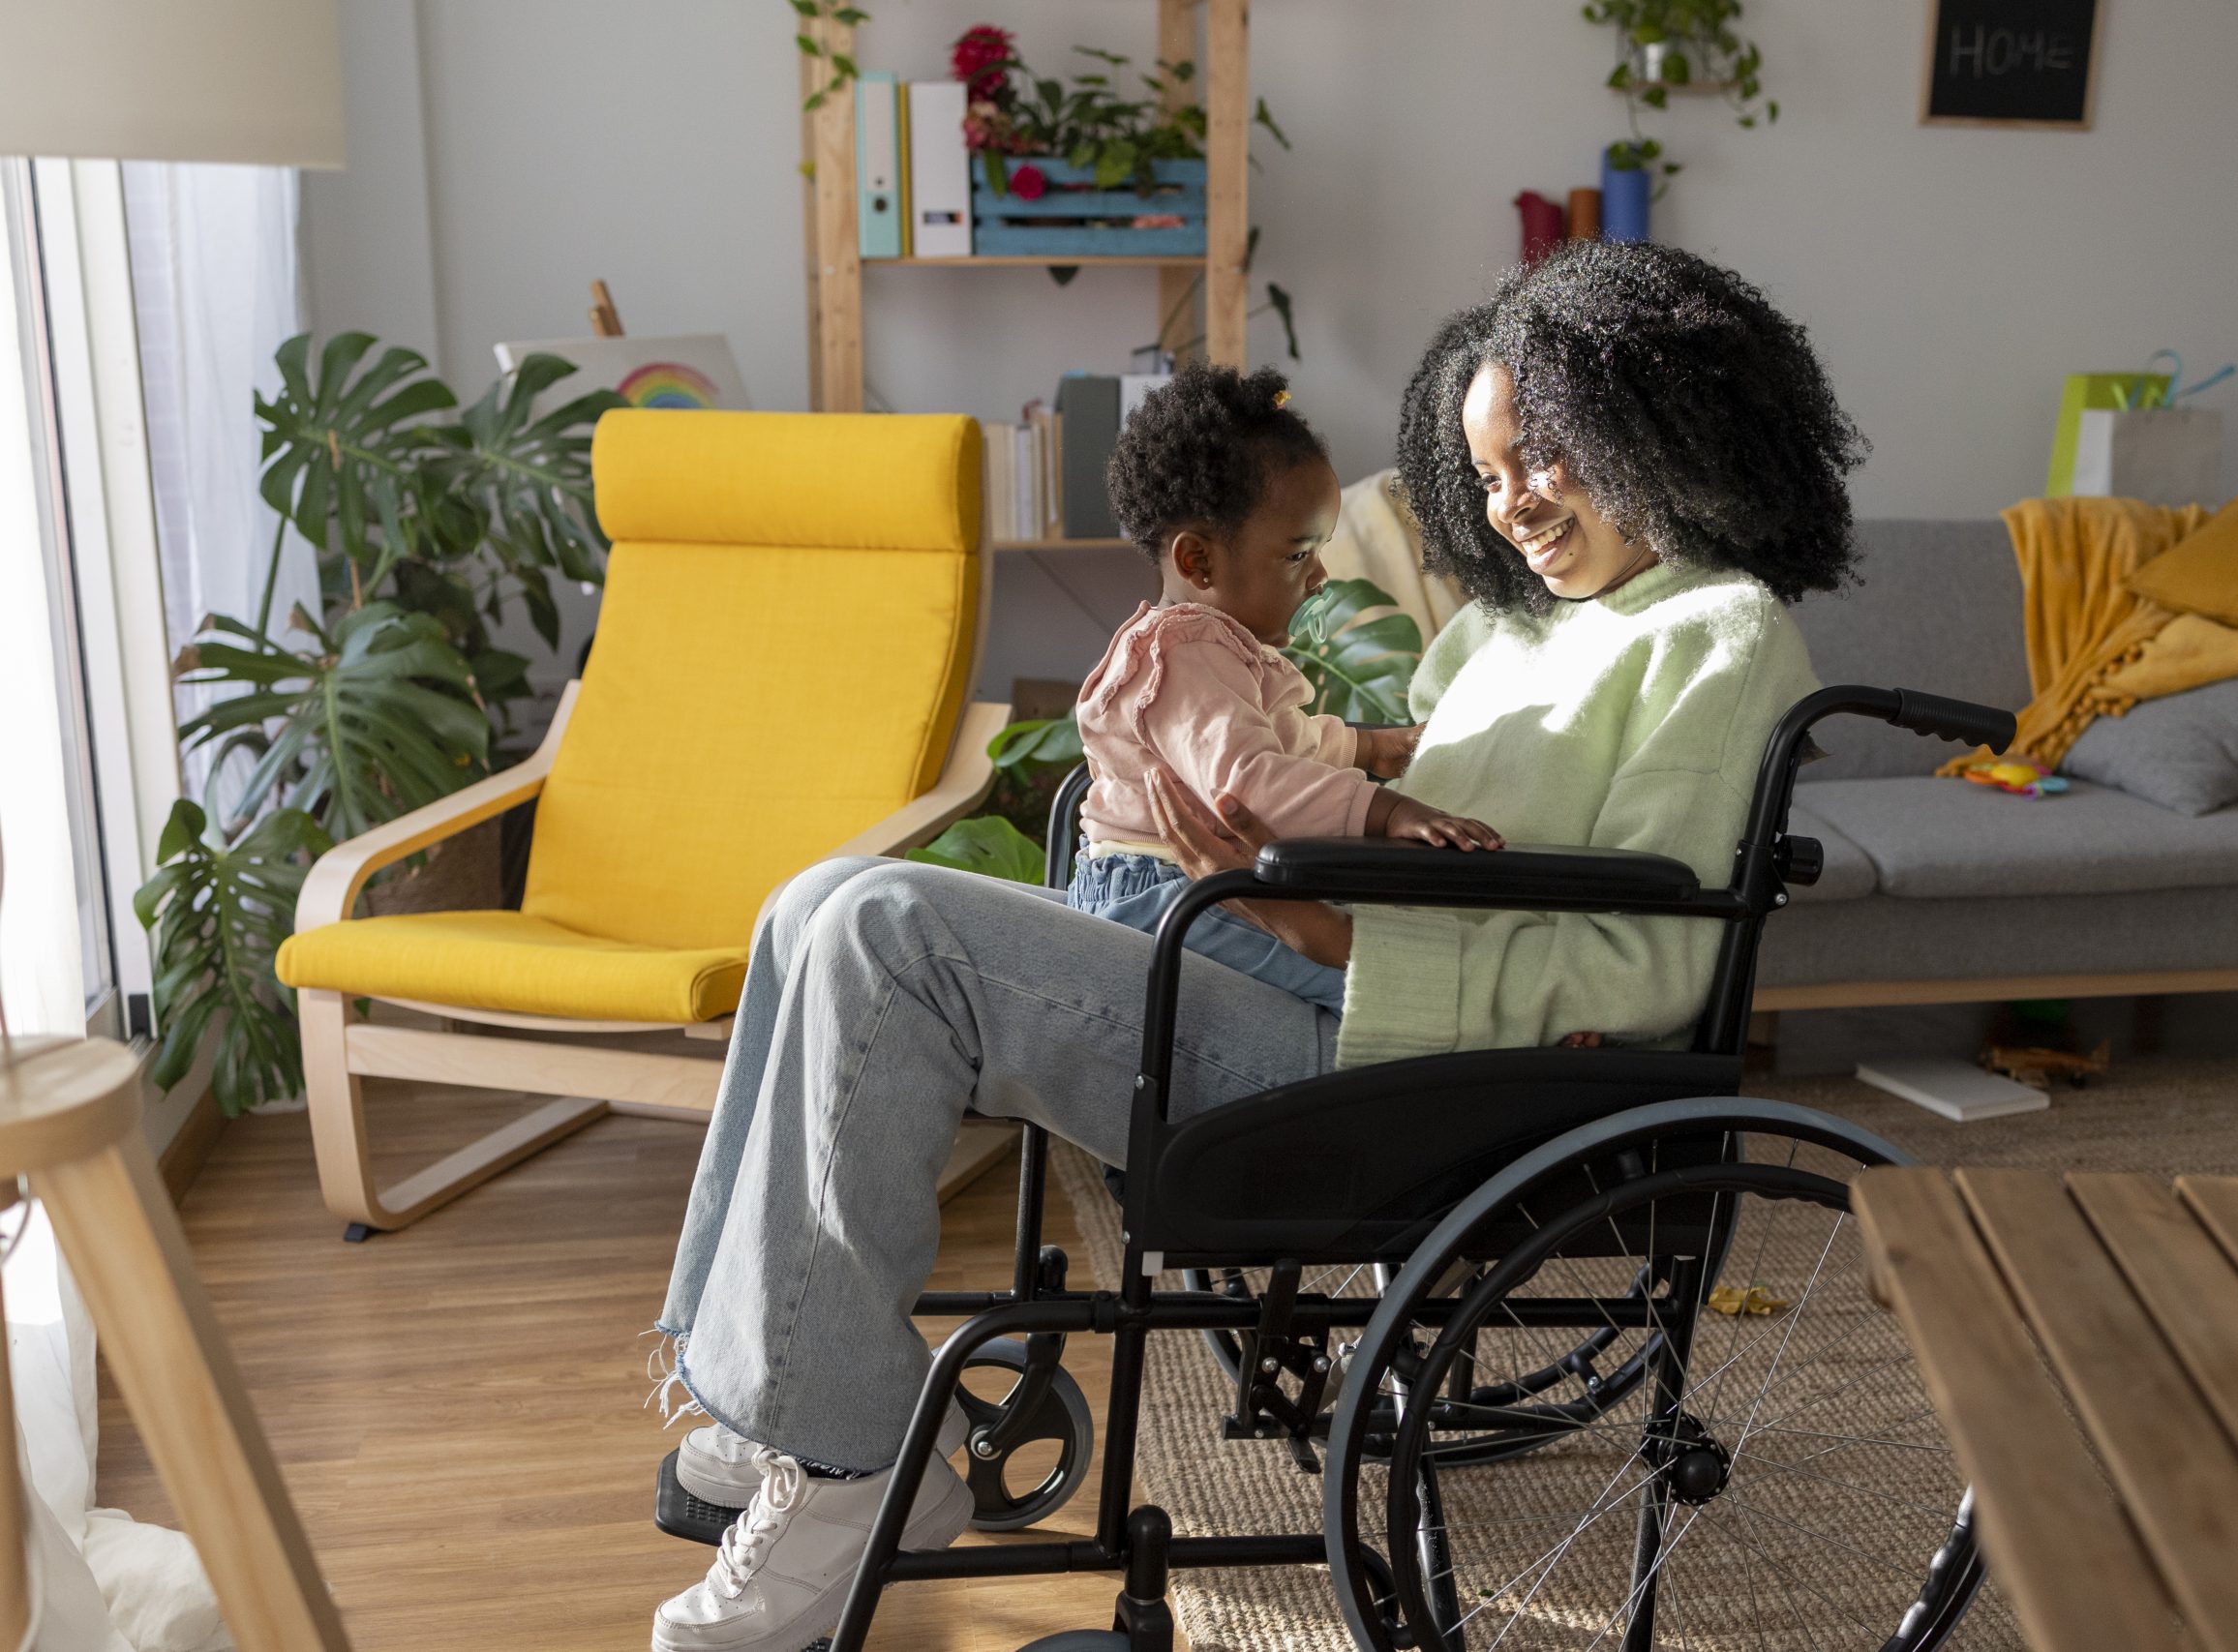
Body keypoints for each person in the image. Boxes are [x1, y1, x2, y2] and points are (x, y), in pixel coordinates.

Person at [644, 240, 1867, 1652]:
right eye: (1482, 473)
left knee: (886, 928)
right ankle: (785, 1400)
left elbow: (1649, 957)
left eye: (1538, 455)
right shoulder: (1506, 631)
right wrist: (1284, 867)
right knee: (814, 900)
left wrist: (1322, 928)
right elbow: (1358, 791)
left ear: (1652, 417)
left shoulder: (1721, 636)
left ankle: (855, 1461)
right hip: (1316, 998)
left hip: (1417, 1072)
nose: (1510, 503)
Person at [1070, 363, 1499, 1016]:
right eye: (1299, 554)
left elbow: (1279, 743)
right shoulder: (1184, 650)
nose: (1322, 575)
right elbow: (1249, 782)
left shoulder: (1208, 648)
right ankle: (1503, 1021)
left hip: (1177, 880)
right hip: (1161, 891)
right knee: (1365, 987)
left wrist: (1370, 748)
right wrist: (1390, 813)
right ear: (1198, 561)